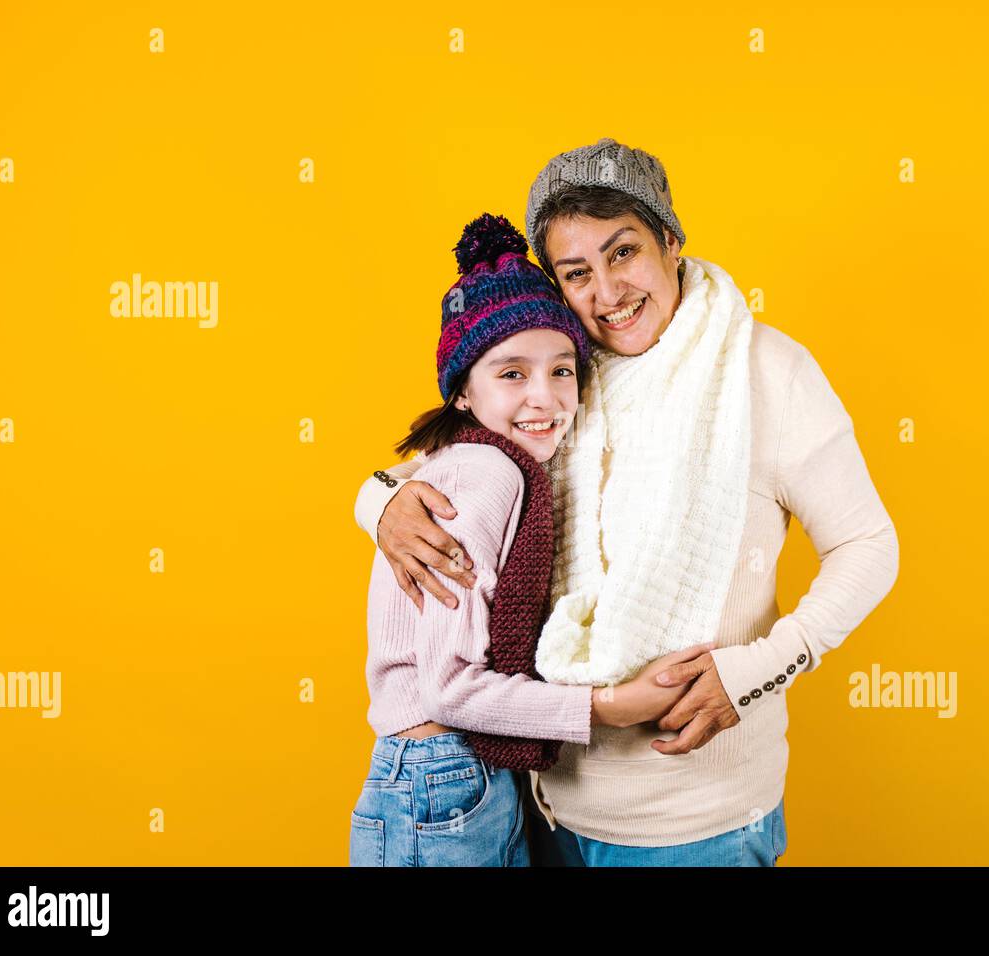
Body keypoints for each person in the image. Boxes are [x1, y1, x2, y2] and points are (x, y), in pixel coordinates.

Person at [355, 138, 900, 866]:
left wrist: (760, 668)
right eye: (577, 272)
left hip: (697, 825)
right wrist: (378, 505)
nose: (606, 293)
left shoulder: (766, 370)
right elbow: (446, 469)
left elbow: (868, 545)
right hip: (541, 805)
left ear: (671, 241)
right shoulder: (557, 372)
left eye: (624, 253)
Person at [349, 212, 710, 867]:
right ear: (462, 391)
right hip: (442, 768)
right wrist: (609, 708)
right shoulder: (487, 475)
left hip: (456, 770)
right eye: (511, 374)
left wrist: (373, 497)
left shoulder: (483, 463)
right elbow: (450, 689)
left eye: (562, 371)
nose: (544, 400)